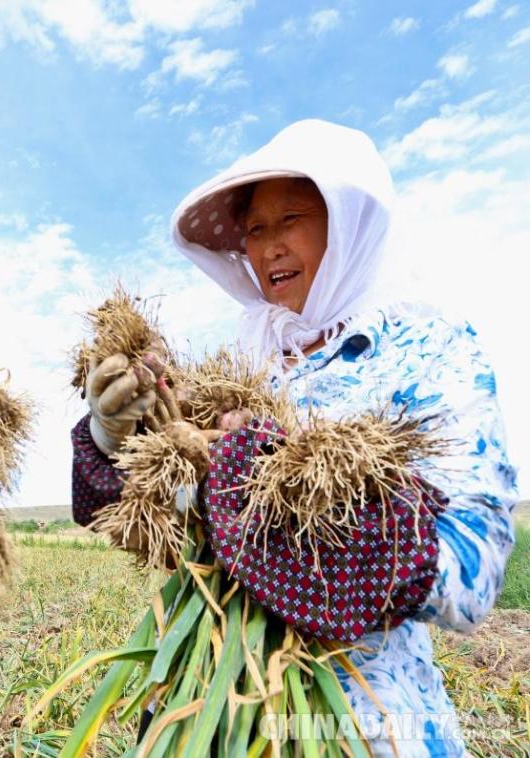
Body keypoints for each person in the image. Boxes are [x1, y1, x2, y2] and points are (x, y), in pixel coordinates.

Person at [71, 119, 518, 757]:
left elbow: (471, 575)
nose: (270, 247)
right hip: (212, 707)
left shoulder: (428, 351)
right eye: (255, 229)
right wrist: (117, 434)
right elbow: (149, 521)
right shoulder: (238, 365)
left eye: (293, 220)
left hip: (363, 724)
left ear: (346, 224)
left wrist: (291, 491)